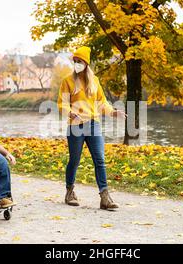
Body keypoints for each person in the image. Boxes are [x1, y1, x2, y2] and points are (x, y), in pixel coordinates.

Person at [57, 46, 127, 210]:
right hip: (75, 126)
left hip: (94, 124)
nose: (76, 64)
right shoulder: (67, 81)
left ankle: (105, 197)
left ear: (86, 63)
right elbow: (62, 104)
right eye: (74, 61)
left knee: (100, 160)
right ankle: (70, 192)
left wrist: (113, 112)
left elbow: (102, 103)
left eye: (79, 61)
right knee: (74, 161)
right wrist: (72, 114)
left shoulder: (94, 81)